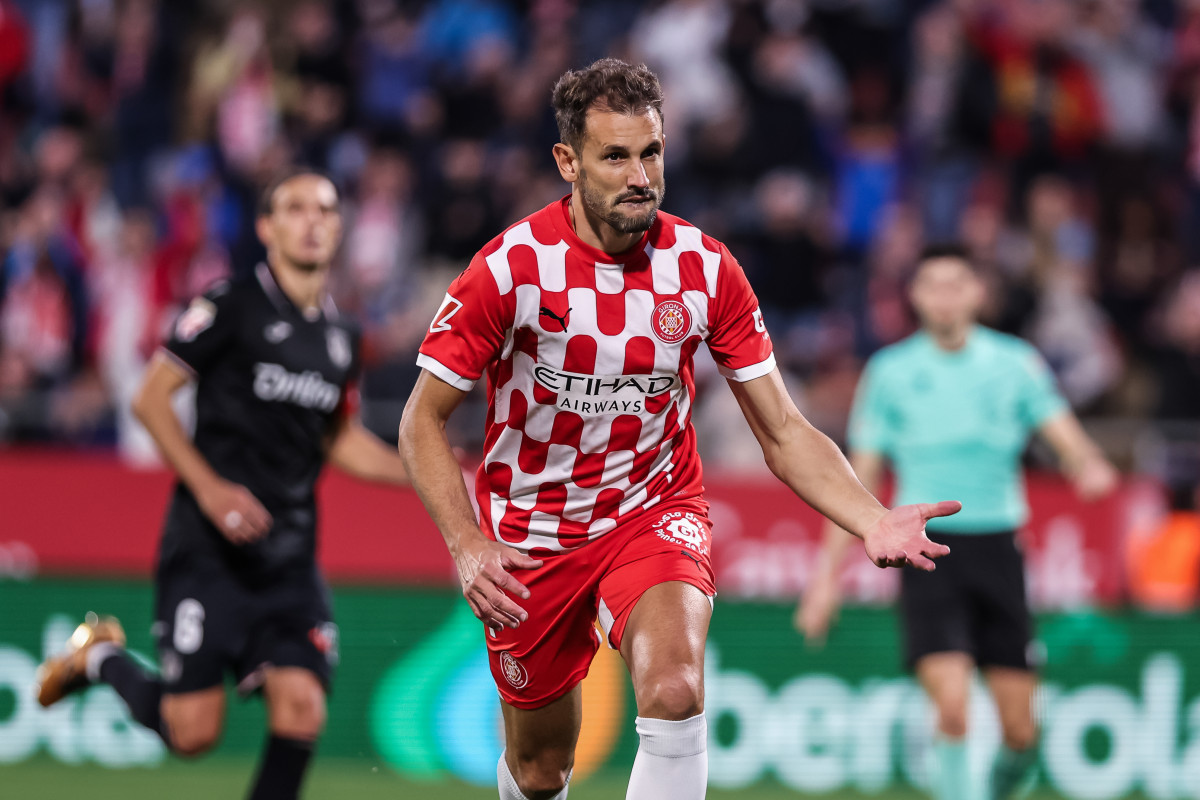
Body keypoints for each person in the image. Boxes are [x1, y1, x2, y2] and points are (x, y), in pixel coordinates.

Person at [396, 58, 962, 800]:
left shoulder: (704, 268)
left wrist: (871, 519)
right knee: (541, 770)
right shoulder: (509, 269)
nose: (640, 175)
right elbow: (419, 422)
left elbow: (785, 431)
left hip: (653, 512)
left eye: (652, 153)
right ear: (567, 162)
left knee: (673, 687)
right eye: (615, 156)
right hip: (531, 531)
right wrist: (467, 544)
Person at [34, 168, 410, 800]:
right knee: (192, 735)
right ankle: (99, 658)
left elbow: (337, 438)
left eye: (324, 209)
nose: (312, 220)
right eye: (294, 208)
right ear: (266, 228)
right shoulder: (229, 305)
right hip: (208, 551)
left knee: (303, 708)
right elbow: (152, 399)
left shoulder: (343, 338)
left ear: (340, 228)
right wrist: (209, 489)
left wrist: (422, 472)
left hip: (288, 560)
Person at [797, 244, 1118, 800]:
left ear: (977, 292)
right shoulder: (891, 372)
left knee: (1020, 732)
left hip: (998, 548)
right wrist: (825, 583)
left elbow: (1067, 438)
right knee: (952, 709)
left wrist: (1087, 465)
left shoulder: (1015, 362)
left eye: (956, 284)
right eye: (932, 285)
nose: (944, 297)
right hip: (925, 551)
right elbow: (853, 488)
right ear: (915, 296)